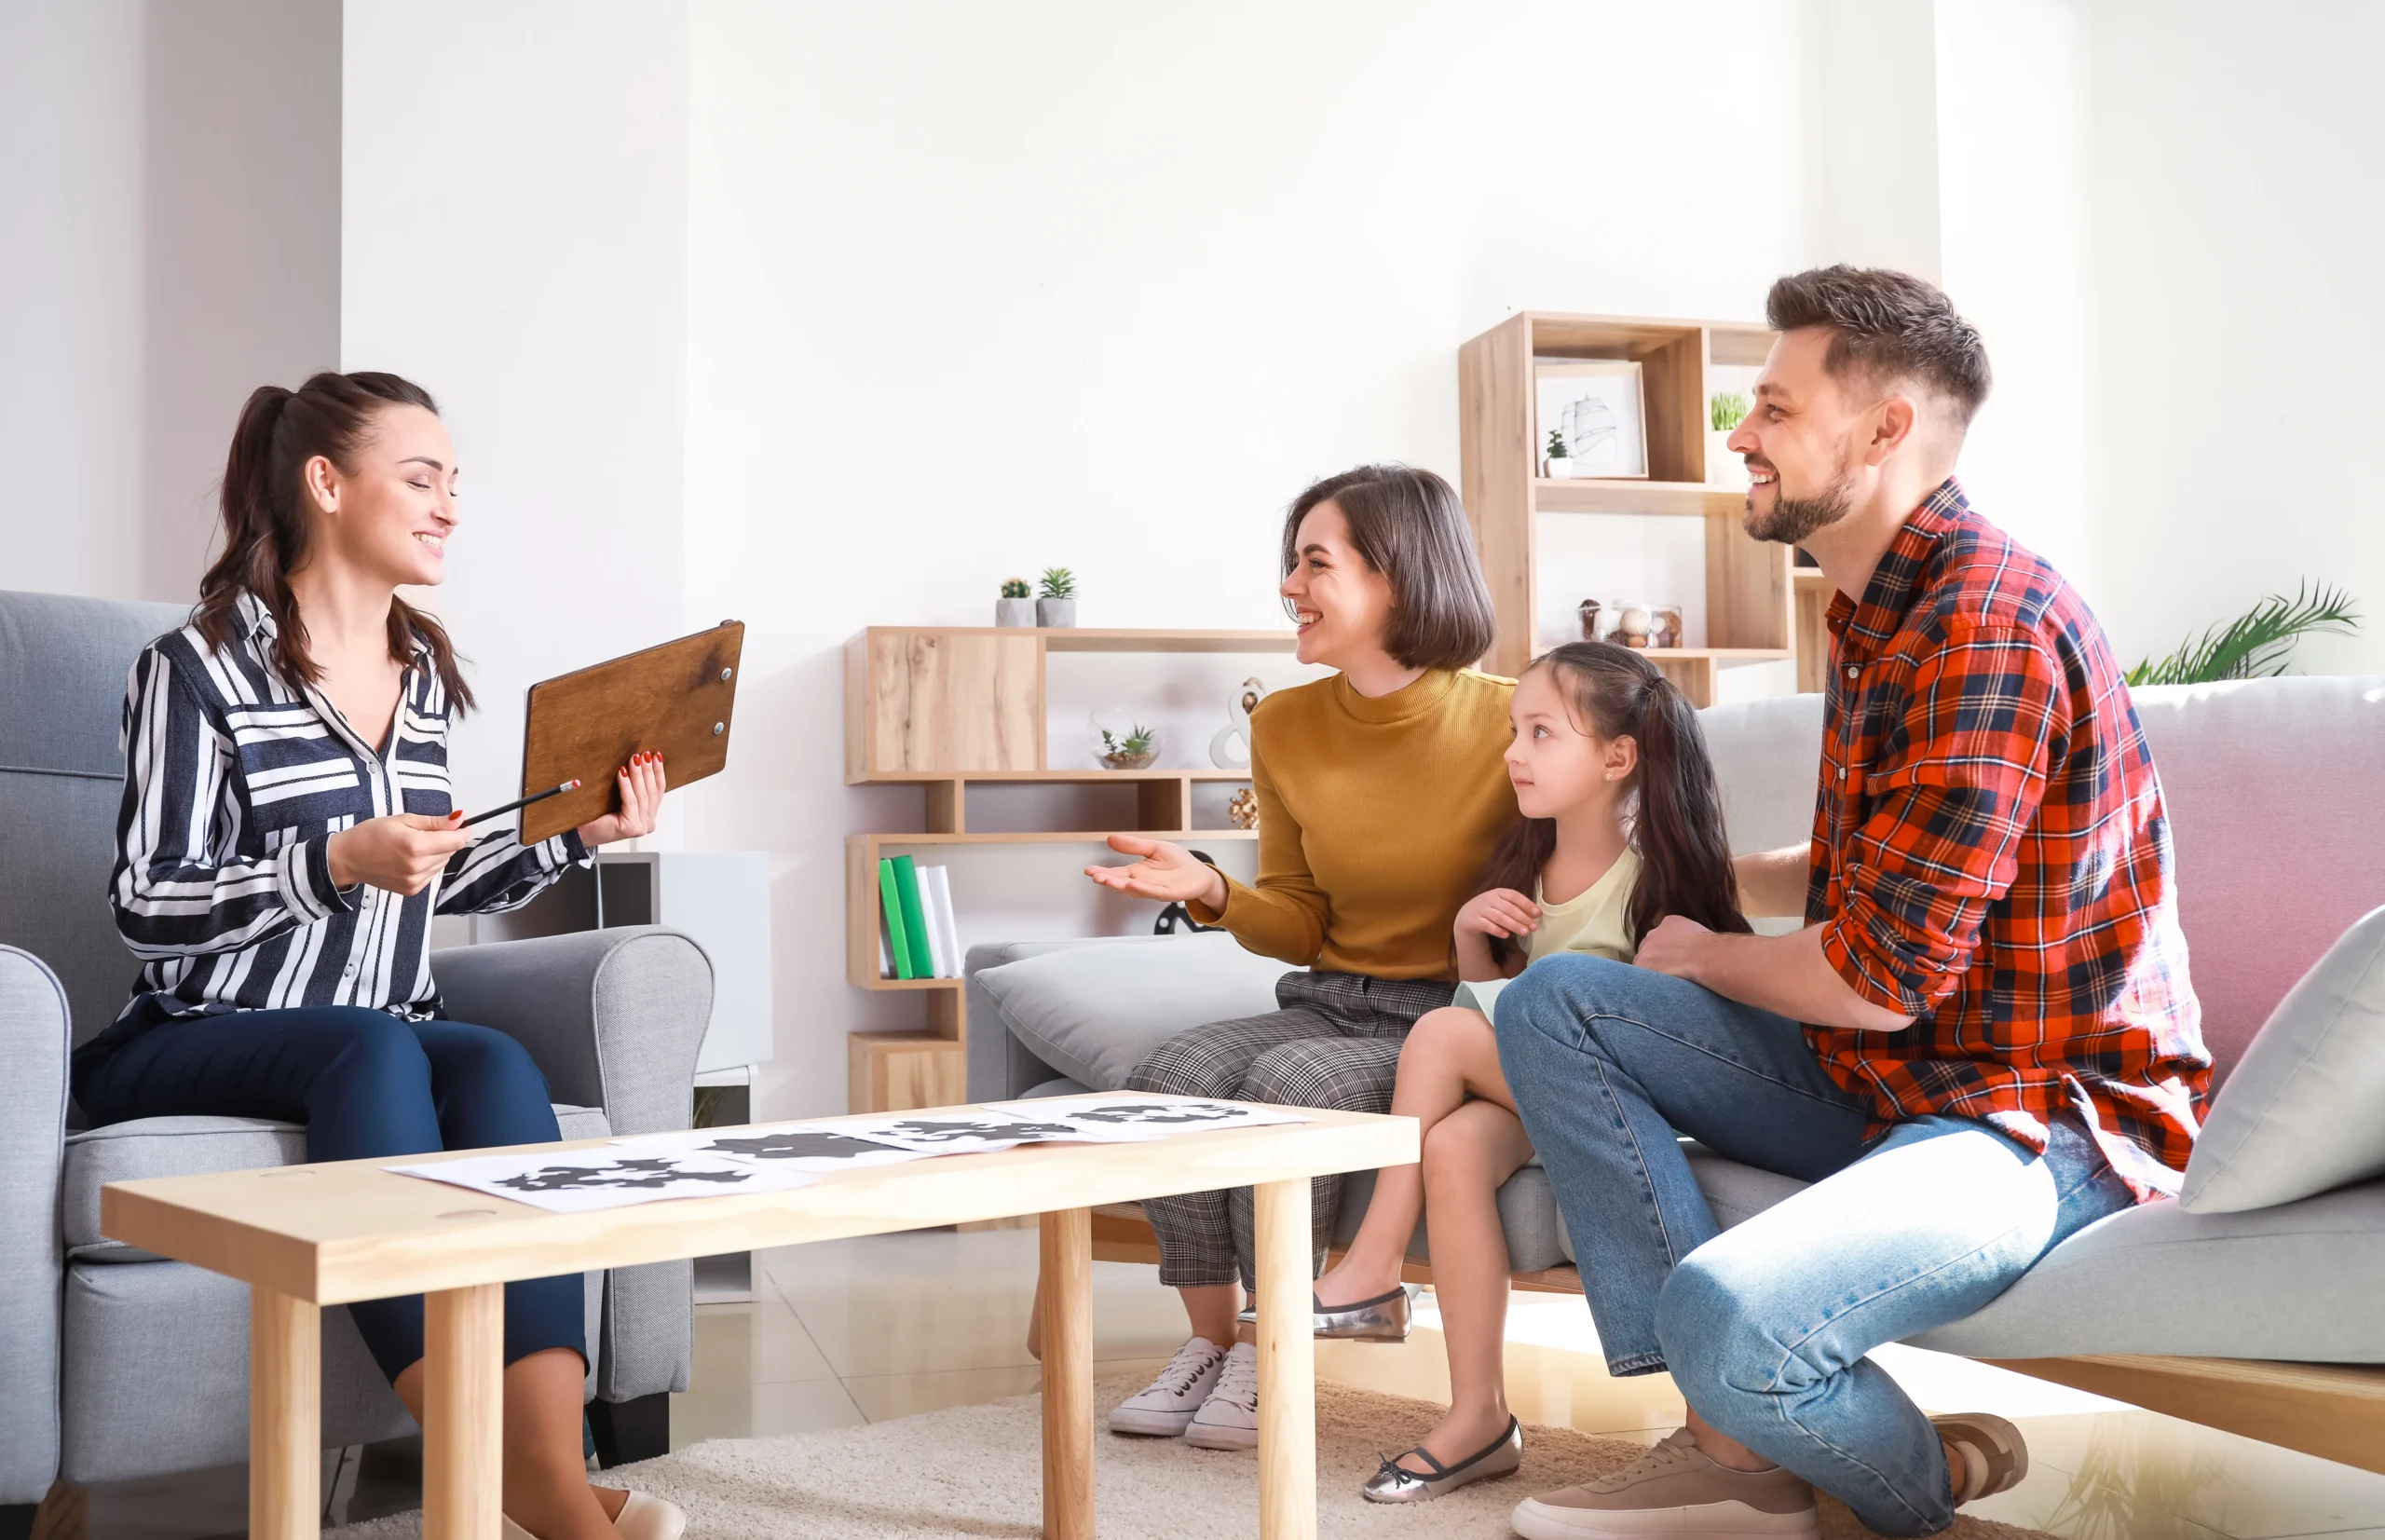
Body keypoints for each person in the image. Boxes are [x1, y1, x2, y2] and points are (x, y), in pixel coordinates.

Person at [1495, 267, 2209, 1540]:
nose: (1739, 435)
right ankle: (1733, 1447)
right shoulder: (1877, 613)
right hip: (1895, 1080)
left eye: (1772, 406)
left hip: (2034, 1115)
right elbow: (1866, 876)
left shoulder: (1981, 624)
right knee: (1555, 1000)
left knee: (1730, 1315)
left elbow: (1875, 983)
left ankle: (1902, 1477)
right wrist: (1701, 881)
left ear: (1884, 433)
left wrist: (1708, 954)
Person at [71, 372, 688, 1540]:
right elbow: (146, 908)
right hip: (194, 1035)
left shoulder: (426, 677)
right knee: (369, 1050)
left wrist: (575, 837)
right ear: (326, 484)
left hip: (377, 1025)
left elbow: (436, 872)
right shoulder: (194, 671)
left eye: (456, 482)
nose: (449, 504)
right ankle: (543, 1501)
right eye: (422, 478)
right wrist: (333, 860)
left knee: (493, 1061)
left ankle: (548, 1475)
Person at [1083, 464, 1517, 1451]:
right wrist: (1210, 890)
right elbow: (1304, 917)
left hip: (1444, 1017)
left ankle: (1275, 1346)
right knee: (1172, 1075)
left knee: (1286, 1082)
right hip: (1330, 993)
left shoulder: (1508, 721)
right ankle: (1213, 1347)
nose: (1289, 585)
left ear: (1398, 579)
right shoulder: (1283, 723)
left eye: (1315, 563)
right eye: (1291, 562)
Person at [1311, 641, 1750, 1505]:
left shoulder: (1656, 877)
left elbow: (1668, 1038)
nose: (1513, 751)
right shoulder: (1528, 865)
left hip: (1618, 1108)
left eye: (1541, 732)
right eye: (1515, 730)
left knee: (1436, 1037)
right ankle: (1477, 1416)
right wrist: (1473, 941)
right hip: (1530, 1097)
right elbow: (1504, 1009)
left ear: (1618, 757)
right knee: (1457, 1150)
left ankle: (1371, 1265)